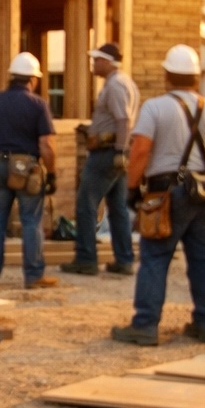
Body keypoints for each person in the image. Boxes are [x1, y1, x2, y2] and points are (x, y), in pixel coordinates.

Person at [111, 44, 205, 346]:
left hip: (166, 194)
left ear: (167, 75)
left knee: (155, 258)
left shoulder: (155, 108)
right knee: (204, 259)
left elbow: (140, 151)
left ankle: (145, 325)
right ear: (196, 77)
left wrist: (131, 189)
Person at [0, 52, 59, 290]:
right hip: (25, 168)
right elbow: (46, 145)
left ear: (11, 77)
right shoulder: (38, 105)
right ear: (33, 80)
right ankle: (34, 276)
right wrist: (53, 173)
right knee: (30, 221)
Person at [61, 43, 140, 277]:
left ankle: (86, 259)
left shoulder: (115, 85)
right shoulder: (125, 83)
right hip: (113, 151)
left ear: (107, 61)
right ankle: (124, 259)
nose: (93, 64)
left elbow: (123, 120)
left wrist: (119, 152)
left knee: (86, 204)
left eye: (97, 60)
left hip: (107, 153)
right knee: (118, 208)